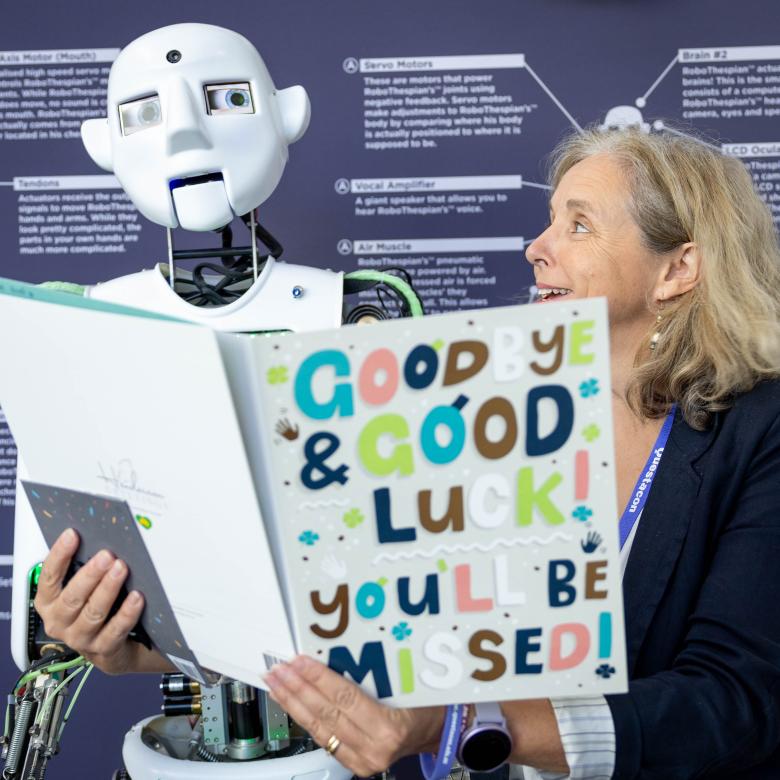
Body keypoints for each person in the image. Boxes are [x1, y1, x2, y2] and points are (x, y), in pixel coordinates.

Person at [35, 126, 780, 779]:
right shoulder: (483, 410)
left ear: (678, 269)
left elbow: (734, 701)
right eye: (549, 220)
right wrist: (141, 643)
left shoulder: (759, 430)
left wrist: (470, 727)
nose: (537, 247)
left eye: (578, 226)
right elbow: (350, 623)